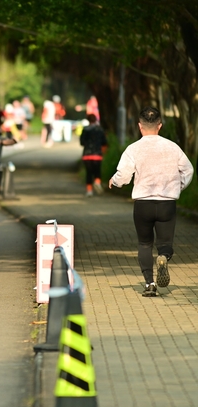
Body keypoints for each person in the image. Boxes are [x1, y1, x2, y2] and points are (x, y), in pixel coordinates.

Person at [109, 107, 194, 298]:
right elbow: (188, 170)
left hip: (143, 204)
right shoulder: (172, 147)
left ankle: (149, 284)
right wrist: (176, 188)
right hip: (167, 204)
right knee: (165, 243)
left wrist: (114, 181)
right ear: (160, 125)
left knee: (144, 243)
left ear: (140, 126)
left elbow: (123, 175)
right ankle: (163, 256)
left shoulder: (133, 149)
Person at [80, 114, 107, 196]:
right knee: (97, 172)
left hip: (87, 155)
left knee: (88, 173)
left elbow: (82, 142)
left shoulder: (85, 129)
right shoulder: (100, 130)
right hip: (97, 155)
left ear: (88, 120)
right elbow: (104, 142)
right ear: (95, 120)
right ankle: (97, 182)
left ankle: (89, 191)